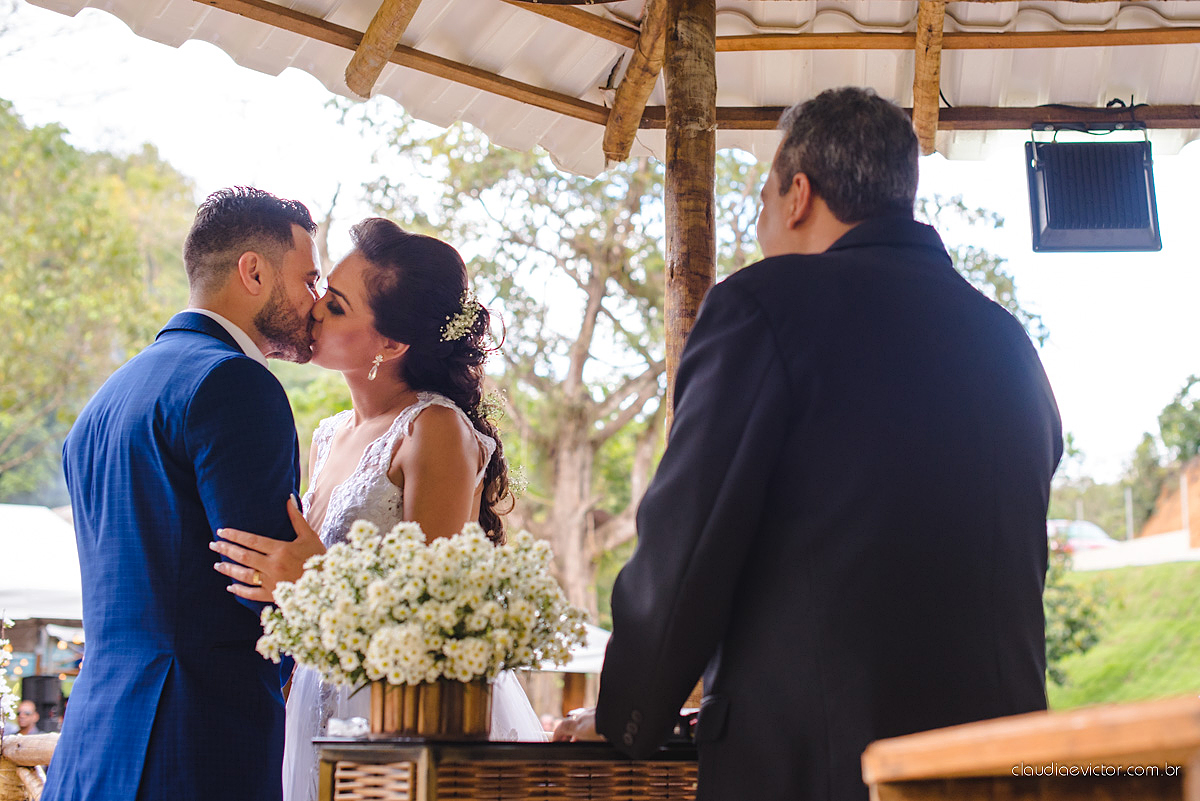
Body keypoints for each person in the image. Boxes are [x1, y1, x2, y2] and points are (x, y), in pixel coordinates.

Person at [553, 87, 1063, 801]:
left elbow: (688, 543)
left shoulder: (765, 305)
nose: (761, 224)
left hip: (820, 771)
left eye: (761, 201)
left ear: (798, 194)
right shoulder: (1007, 340)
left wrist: (627, 715)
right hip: (1004, 769)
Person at [209, 218, 543, 801]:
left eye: (334, 306)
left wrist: (315, 577)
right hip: (317, 697)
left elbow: (437, 618)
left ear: (391, 343)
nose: (312, 311)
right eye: (321, 292)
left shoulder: (432, 429)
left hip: (402, 716)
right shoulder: (329, 435)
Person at [45, 188, 321, 801]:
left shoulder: (101, 404)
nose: (316, 301)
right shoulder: (236, 383)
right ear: (253, 271)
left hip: (91, 744)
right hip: (197, 743)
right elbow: (268, 585)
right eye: (308, 277)